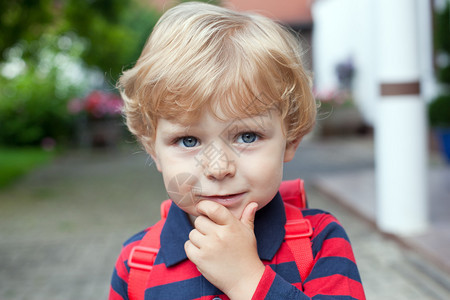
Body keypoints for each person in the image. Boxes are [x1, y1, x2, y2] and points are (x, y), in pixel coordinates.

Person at [109, 2, 365, 299]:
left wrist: (247, 280)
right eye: (189, 141)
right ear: (153, 150)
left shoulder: (320, 241)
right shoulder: (136, 264)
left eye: (246, 136)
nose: (218, 168)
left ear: (291, 140)